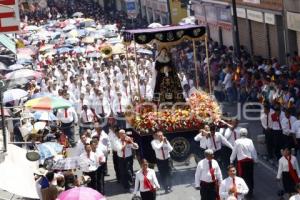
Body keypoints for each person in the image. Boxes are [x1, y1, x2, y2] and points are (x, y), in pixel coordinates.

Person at [230, 128, 257, 197]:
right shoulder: (250, 141)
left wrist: (231, 160)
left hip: (241, 163)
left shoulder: (237, 141)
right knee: (250, 177)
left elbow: (234, 152)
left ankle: (243, 192)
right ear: (246, 134)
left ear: (240, 134)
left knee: (242, 177)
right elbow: (253, 151)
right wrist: (255, 160)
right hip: (250, 162)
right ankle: (250, 191)